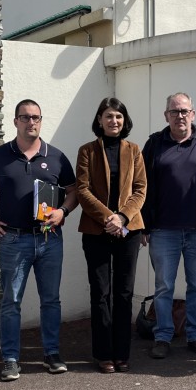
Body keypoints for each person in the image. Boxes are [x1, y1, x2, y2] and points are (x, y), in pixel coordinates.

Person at [0, 99, 77, 381]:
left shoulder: (57, 157)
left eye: (36, 117)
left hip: (49, 239)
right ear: (15, 121)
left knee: (51, 300)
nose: (31, 122)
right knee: (11, 301)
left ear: (41, 121)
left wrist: (63, 212)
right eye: (25, 117)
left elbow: (73, 191)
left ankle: (52, 353)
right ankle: (10, 359)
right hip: (14, 240)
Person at [141, 92, 196, 359]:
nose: (180, 116)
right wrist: (144, 224)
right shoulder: (155, 144)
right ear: (166, 115)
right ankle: (163, 336)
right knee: (163, 286)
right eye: (174, 111)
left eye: (184, 111)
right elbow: (141, 185)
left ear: (193, 114)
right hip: (162, 230)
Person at [76, 97, 147, 373]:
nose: (113, 121)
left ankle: (122, 353)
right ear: (99, 120)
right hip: (96, 230)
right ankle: (103, 353)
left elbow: (140, 189)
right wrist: (109, 217)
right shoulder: (87, 151)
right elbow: (82, 190)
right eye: (108, 116)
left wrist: (122, 217)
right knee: (100, 293)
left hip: (129, 230)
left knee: (124, 293)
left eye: (118, 116)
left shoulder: (135, 150)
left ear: (124, 120)